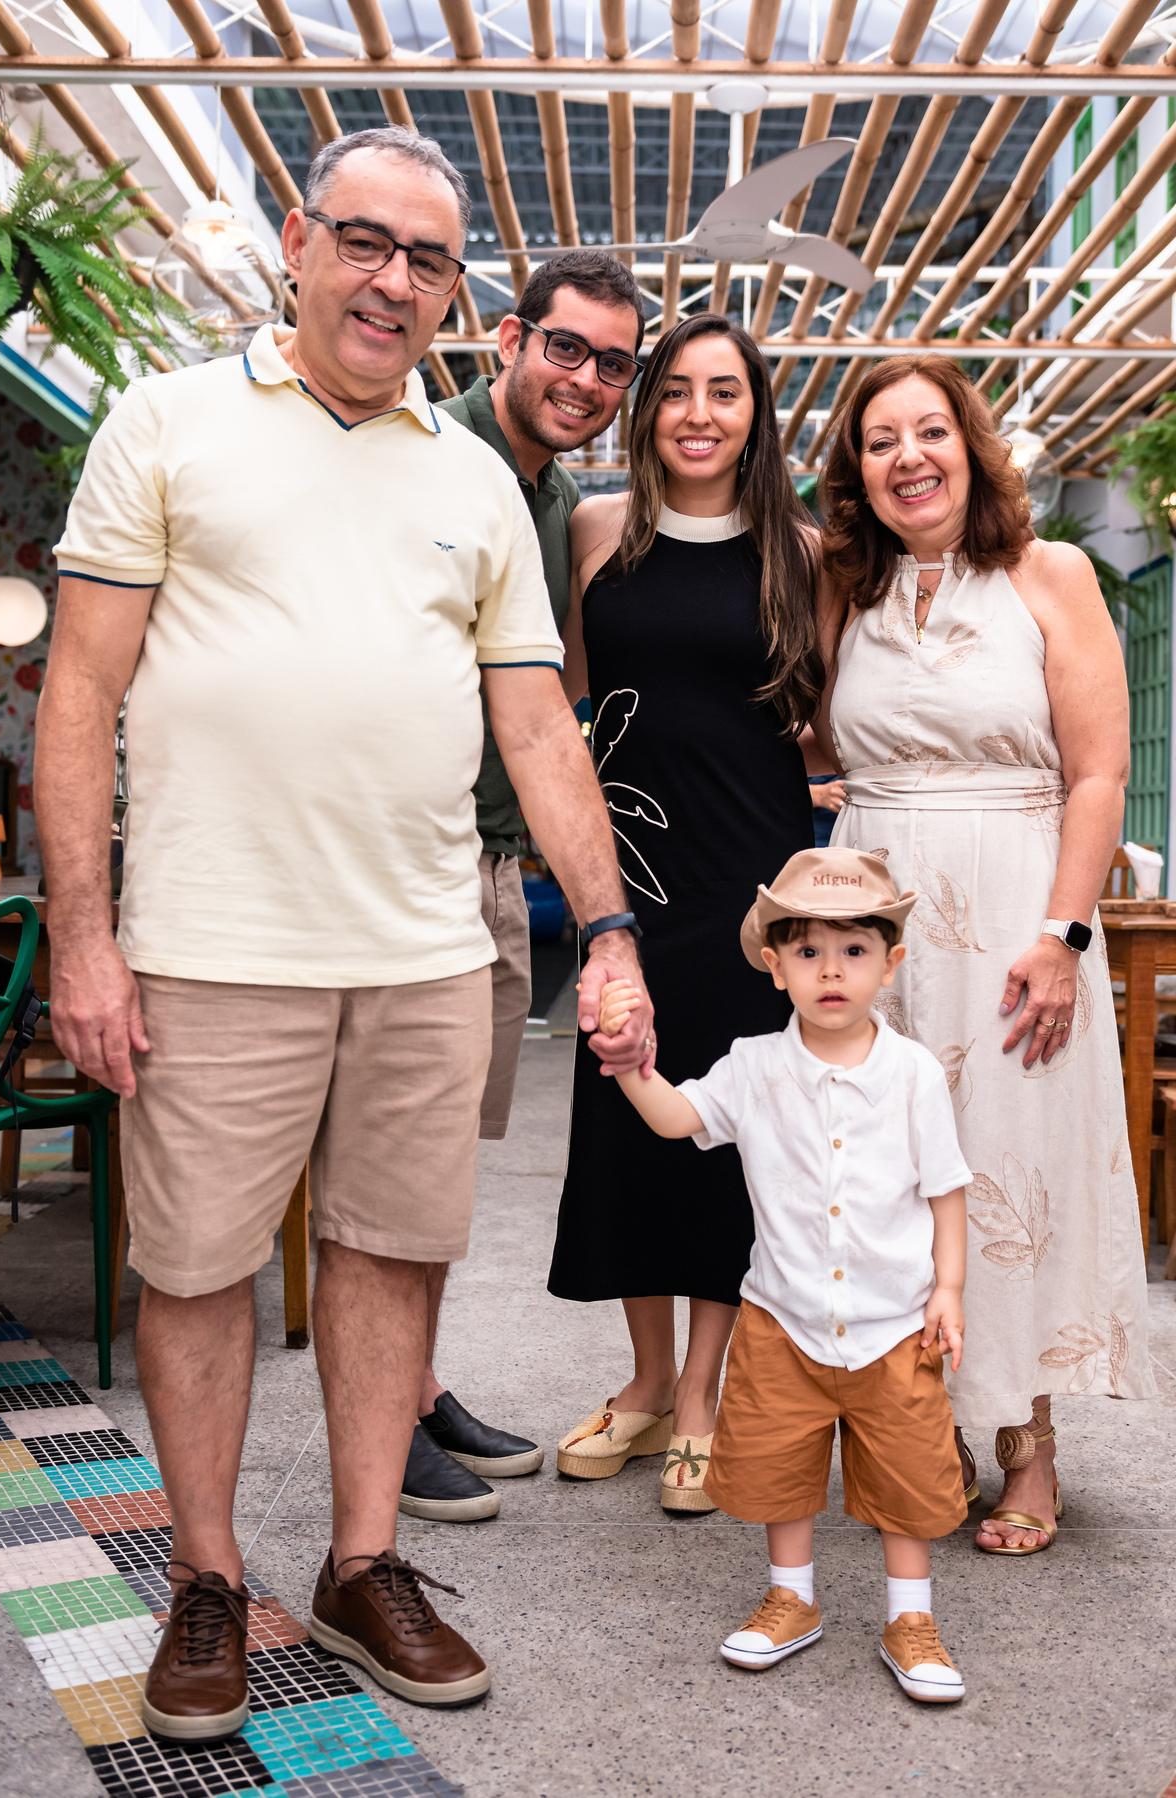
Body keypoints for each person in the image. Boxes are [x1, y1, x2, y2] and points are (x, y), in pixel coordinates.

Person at [35, 125, 653, 1735]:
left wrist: (607, 929)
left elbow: (538, 724)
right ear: (299, 244)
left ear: (456, 296)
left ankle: (365, 1561)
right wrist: (85, 938)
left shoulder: (475, 481)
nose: (392, 280)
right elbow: (79, 691)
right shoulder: (167, 419)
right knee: (196, 1267)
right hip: (213, 941)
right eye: (365, 242)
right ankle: (207, 1577)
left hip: (426, 948)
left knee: (394, 1252)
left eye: (427, 259)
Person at [817, 354, 1153, 1557]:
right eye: (880, 441)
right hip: (879, 921)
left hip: (1018, 914)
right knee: (887, 1176)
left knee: (1012, 1167)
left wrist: (1062, 937)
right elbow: (804, 736)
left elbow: (1098, 772)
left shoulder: (1051, 574)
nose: (908, 457)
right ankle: (927, 1432)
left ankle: (1027, 1440)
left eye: (930, 432)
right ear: (855, 472)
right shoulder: (840, 588)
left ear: (971, 446)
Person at [548, 314, 822, 1514]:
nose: (699, 414)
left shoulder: (802, 551)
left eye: (726, 392)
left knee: (726, 1129)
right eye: (676, 391)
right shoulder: (598, 528)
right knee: (624, 1108)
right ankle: (648, 1378)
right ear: (648, 407)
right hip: (628, 878)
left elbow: (823, 718)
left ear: (757, 416)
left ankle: (704, 1394)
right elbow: (562, 693)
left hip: (751, 879)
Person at [600, 848, 972, 1704]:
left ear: (890, 963)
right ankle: (791, 1599)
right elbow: (678, 1118)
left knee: (907, 1478)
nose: (831, 971)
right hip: (782, 1320)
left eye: (854, 951)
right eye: (808, 951)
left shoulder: (913, 1073)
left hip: (895, 1325)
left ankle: (910, 1617)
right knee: (780, 1469)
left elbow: (946, 1190)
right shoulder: (753, 1065)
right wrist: (631, 1066)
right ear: (775, 966)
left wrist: (948, 1289)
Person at [399, 249, 648, 1525]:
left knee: (443, 1161)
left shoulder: (554, 497)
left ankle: (415, 1384)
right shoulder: (425, 450)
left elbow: (556, 704)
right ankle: (383, 1417)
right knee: (394, 1161)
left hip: (496, 864)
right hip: (415, 859)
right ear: (509, 336)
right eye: (567, 347)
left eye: (615, 364)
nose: (588, 379)